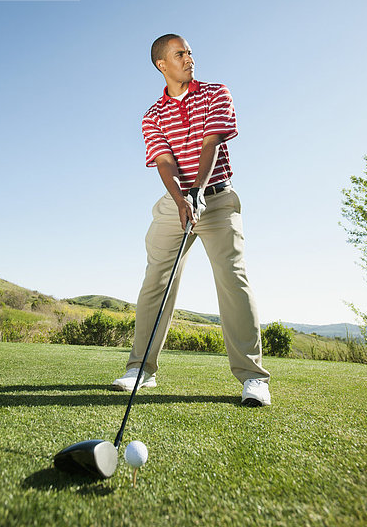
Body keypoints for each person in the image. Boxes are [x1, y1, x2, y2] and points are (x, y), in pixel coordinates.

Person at [112, 34, 271, 406]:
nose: (189, 58)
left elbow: (211, 143)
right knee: (156, 279)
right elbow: (165, 162)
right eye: (179, 54)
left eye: (190, 52)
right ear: (161, 65)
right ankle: (140, 369)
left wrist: (196, 191)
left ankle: (253, 377)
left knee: (233, 278)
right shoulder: (152, 116)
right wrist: (180, 197)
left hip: (216, 197)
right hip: (175, 203)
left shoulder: (216, 93)